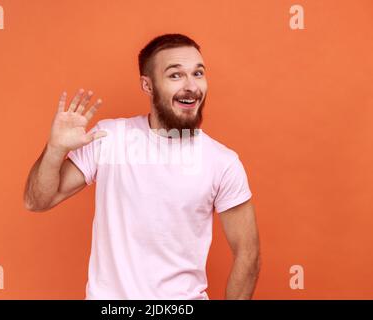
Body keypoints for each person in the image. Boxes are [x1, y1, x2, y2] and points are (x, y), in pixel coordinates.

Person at [23, 33, 260, 300]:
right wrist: (55, 149)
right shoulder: (109, 139)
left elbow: (247, 253)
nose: (191, 85)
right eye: (175, 75)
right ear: (147, 86)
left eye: (198, 73)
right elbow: (37, 201)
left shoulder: (223, 162)